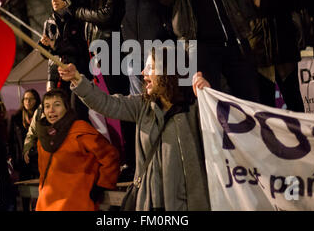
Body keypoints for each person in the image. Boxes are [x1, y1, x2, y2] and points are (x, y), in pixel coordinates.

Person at [58, 47, 210, 211]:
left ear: (169, 71)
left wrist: (208, 99)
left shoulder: (195, 109)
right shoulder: (142, 106)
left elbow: (228, 136)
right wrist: (77, 79)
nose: (143, 72)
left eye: (151, 68)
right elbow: (106, 103)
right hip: (148, 206)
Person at [53, 0, 134, 179]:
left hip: (114, 47)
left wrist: (77, 10)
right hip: (103, 48)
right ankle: (129, 158)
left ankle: (131, 160)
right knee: (119, 102)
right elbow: (84, 3)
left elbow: (106, 15)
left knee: (123, 103)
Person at [241, 0, 303, 111]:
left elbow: (279, 4)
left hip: (283, 44)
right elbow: (245, 12)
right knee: (265, 103)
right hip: (259, 49)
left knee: (293, 97)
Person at [34, 89, 120, 211]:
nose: (51, 110)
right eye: (47, 106)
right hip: (46, 203)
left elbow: (110, 155)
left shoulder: (79, 129)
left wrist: (102, 185)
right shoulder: (43, 137)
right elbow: (43, 173)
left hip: (75, 203)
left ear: (66, 108)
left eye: (57, 105)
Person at [9, 89, 41, 182]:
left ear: (36, 100)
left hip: (38, 158)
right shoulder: (16, 118)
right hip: (22, 159)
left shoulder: (41, 117)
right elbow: (11, 139)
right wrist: (13, 157)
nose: (28, 101)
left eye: (31, 99)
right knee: (25, 188)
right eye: (26, 99)